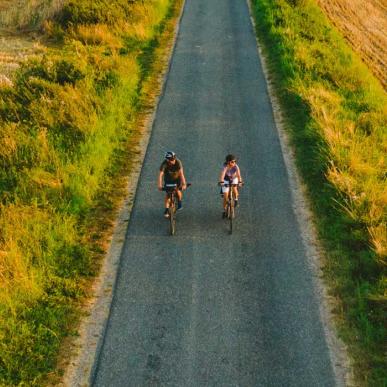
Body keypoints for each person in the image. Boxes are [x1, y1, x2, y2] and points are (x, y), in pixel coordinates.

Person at [158, 151, 187, 218]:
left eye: (173, 159)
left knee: (178, 190)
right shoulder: (164, 164)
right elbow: (160, 175)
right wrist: (159, 185)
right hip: (168, 179)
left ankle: (179, 202)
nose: (172, 161)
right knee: (168, 195)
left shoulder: (178, 162)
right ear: (167, 160)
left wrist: (184, 184)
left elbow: (181, 174)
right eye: (170, 160)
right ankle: (166, 209)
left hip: (177, 179)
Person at [219, 154, 243, 218]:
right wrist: (221, 182)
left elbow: (239, 175)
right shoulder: (225, 167)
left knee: (234, 189)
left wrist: (240, 182)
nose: (234, 163)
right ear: (228, 162)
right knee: (225, 197)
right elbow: (222, 174)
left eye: (235, 161)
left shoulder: (236, 167)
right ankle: (224, 210)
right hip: (226, 180)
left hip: (234, 178)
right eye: (232, 161)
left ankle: (236, 199)